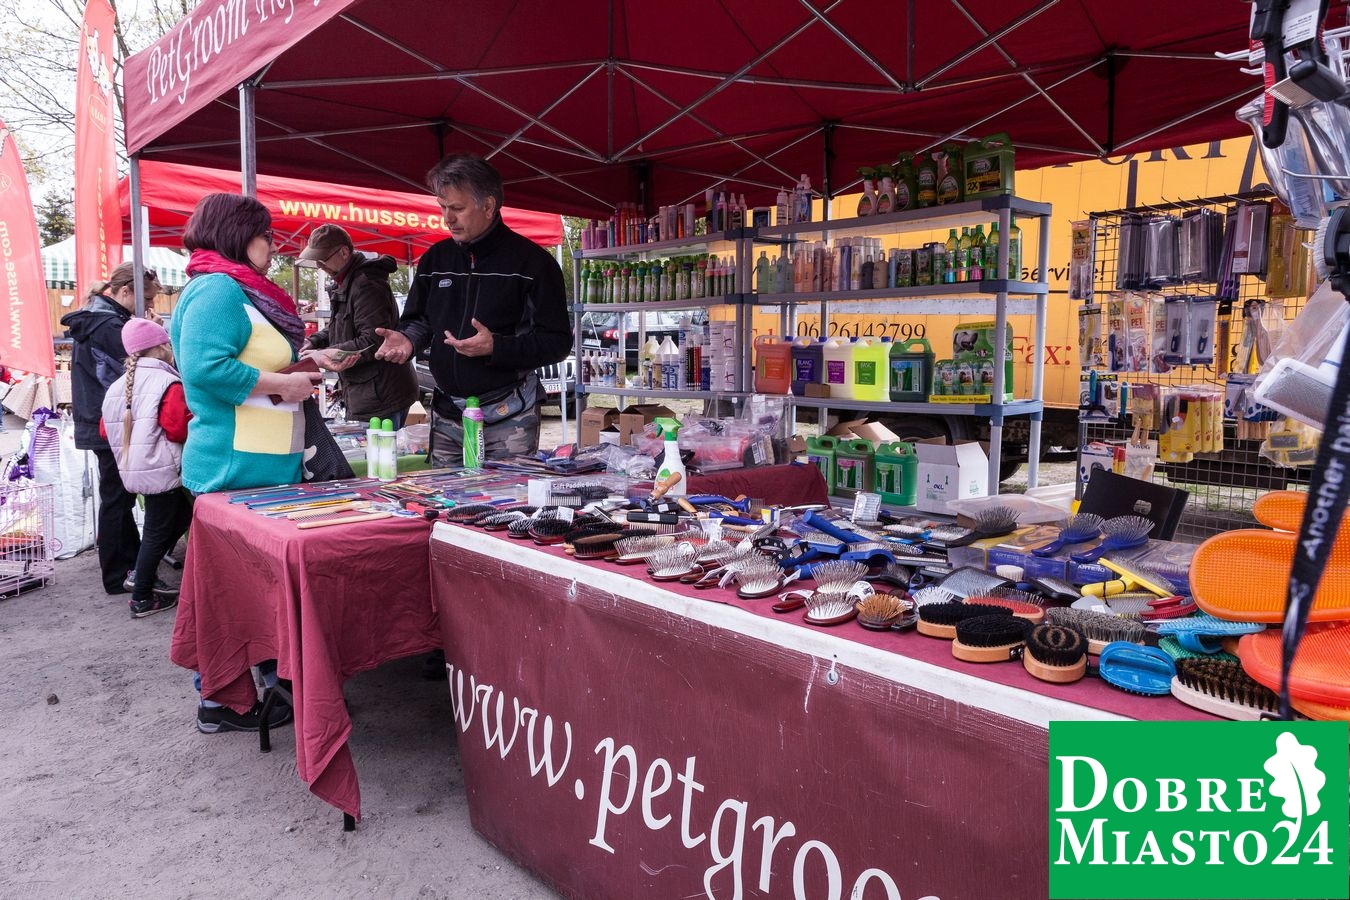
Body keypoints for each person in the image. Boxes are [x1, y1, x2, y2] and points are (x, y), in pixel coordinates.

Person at [172, 192, 318, 734]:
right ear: (238, 234)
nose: (272, 247)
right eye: (265, 236)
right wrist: (285, 382)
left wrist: (300, 368)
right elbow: (205, 369)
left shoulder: (235, 288)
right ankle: (220, 700)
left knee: (256, 591)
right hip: (235, 466)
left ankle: (273, 684)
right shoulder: (217, 288)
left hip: (261, 464)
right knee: (232, 596)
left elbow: (244, 361)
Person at [374, 153, 571, 463]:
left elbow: (557, 343)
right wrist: (408, 339)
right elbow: (420, 320)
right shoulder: (435, 259)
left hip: (508, 415)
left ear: (488, 206)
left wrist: (496, 347)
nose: (447, 218)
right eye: (442, 207)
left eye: (457, 208)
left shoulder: (533, 264)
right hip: (447, 415)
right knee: (443, 495)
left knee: (506, 494)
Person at [62, 262, 164, 595]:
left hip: (101, 419)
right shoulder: (108, 324)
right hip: (109, 421)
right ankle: (119, 573)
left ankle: (128, 565)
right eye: (147, 298)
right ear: (125, 291)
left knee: (118, 498)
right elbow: (140, 365)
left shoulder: (101, 319)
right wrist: (152, 333)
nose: (149, 305)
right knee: (118, 499)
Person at [99, 318, 193, 619]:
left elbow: (104, 430)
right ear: (161, 346)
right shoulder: (167, 382)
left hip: (134, 467)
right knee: (157, 530)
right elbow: (178, 429)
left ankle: (141, 573)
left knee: (178, 517)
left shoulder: (117, 386)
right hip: (162, 468)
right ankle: (141, 596)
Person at [297, 224, 419, 427]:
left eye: (323, 259)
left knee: (380, 447)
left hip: (381, 394)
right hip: (369, 390)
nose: (319, 265)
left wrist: (324, 354)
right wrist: (314, 341)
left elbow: (373, 340)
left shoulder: (366, 284)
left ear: (344, 252)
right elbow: (341, 326)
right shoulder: (347, 281)